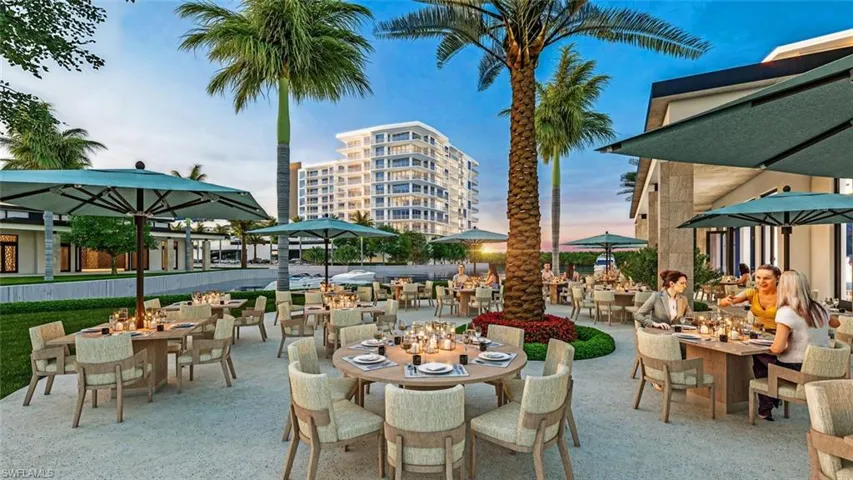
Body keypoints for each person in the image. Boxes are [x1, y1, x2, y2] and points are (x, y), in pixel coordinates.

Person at [751, 270, 841, 421]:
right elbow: (836, 323)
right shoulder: (820, 308)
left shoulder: (786, 312)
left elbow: (777, 349)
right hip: (823, 366)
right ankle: (769, 403)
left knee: (760, 357)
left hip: (798, 368)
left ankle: (766, 407)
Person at [719, 264, 781, 331]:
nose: (761, 281)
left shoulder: (783, 297)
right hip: (758, 334)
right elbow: (723, 303)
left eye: (766, 278)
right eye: (758, 278)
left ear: (777, 279)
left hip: (778, 335)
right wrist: (726, 300)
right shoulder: (752, 293)